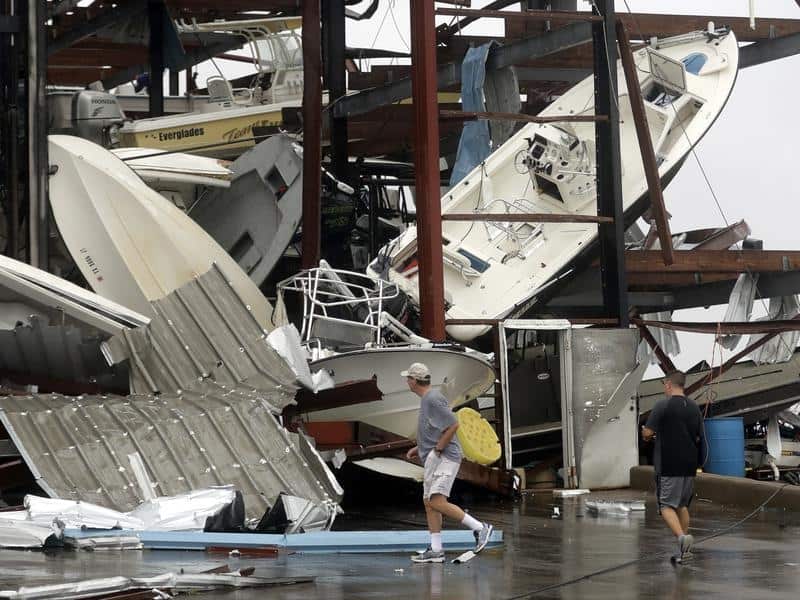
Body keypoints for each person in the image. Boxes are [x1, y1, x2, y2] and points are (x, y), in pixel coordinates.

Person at [402, 362, 493, 563]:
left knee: (436, 501)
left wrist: (438, 448)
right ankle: (436, 550)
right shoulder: (427, 399)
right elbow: (434, 427)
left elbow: (453, 424)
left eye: (408, 378)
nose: (406, 381)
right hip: (435, 456)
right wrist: (420, 448)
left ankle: (480, 528)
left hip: (445, 457)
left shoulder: (433, 398)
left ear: (415, 381)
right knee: (429, 503)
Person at [642, 370, 705, 563]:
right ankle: (684, 551)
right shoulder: (694, 407)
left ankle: (682, 538)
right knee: (681, 505)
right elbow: (700, 436)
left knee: (666, 505)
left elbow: (647, 433)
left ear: (669, 384)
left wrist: (647, 433)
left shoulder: (663, 405)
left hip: (668, 464)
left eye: (664, 384)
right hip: (689, 464)